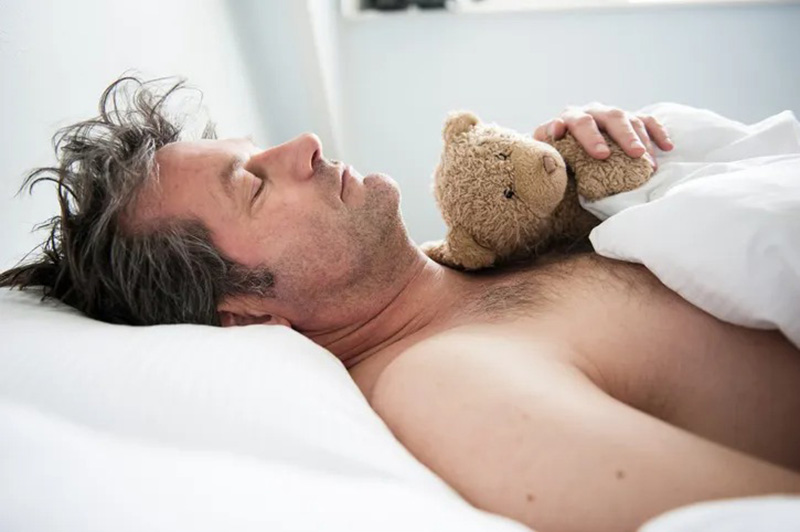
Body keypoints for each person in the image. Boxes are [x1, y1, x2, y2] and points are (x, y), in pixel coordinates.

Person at [2, 77, 799, 532]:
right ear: (245, 315)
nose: (304, 145)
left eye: (256, 151)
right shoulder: (449, 384)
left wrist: (645, 168)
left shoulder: (491, 254)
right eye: (252, 182)